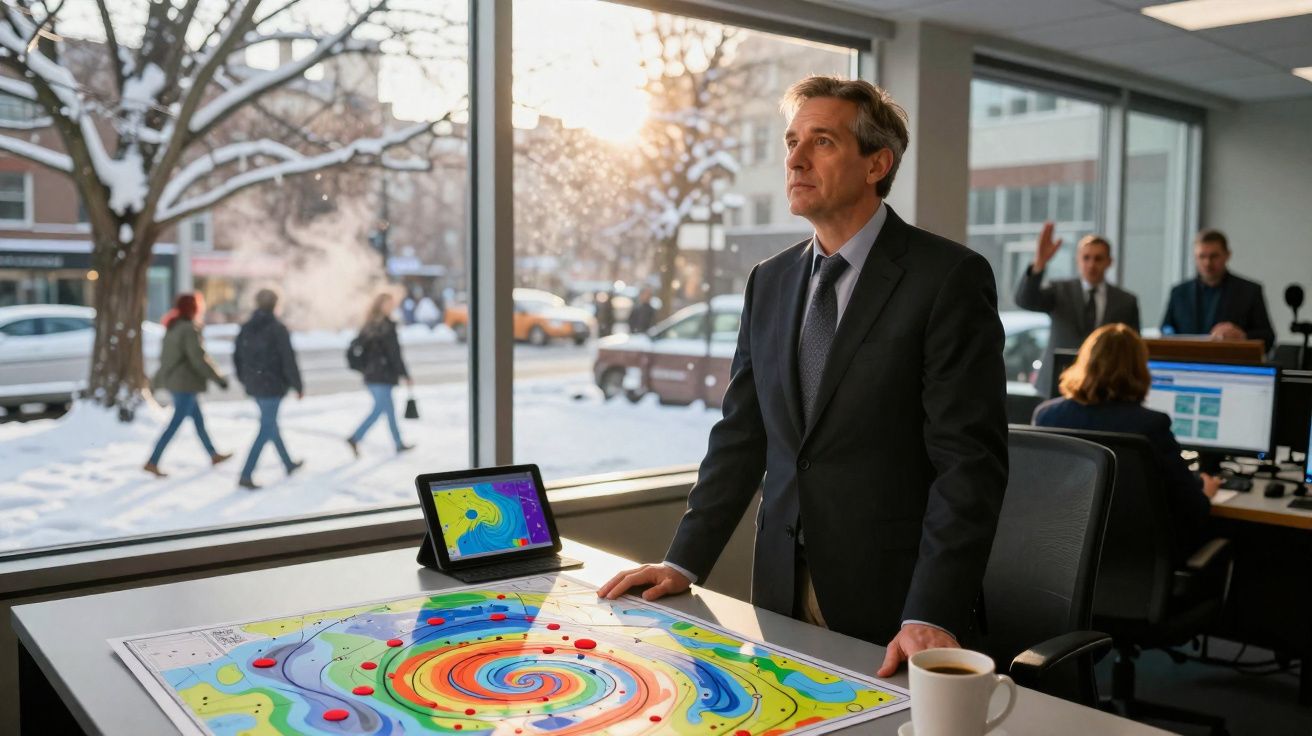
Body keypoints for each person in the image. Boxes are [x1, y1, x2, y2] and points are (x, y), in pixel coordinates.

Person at [598, 75, 1008, 678]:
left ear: (877, 163)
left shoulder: (947, 278)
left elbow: (969, 464)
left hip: (899, 608)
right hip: (782, 591)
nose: (794, 158)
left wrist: (933, 608)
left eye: (822, 142)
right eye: (792, 140)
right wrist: (683, 562)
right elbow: (742, 434)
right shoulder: (769, 281)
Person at [1033, 324, 1219, 560]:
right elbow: (1192, 508)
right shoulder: (1150, 425)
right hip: (1137, 559)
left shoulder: (1047, 416)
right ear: (1139, 370)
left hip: (1066, 557)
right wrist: (1206, 493)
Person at [1014, 224, 1141, 397]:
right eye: (1086, 258)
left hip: (1105, 384)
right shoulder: (1060, 290)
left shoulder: (1125, 301)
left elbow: (1132, 348)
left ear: (1109, 262)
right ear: (1078, 260)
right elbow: (1026, 300)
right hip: (1058, 381)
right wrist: (1039, 264)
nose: (1091, 264)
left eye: (1098, 258)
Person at [144, 293, 232, 477]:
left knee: (199, 421)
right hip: (184, 383)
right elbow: (199, 358)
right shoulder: (188, 329)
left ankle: (213, 454)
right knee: (175, 423)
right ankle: (152, 461)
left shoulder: (173, 326)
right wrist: (218, 379)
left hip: (177, 382)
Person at [233, 289, 305, 490]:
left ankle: (288, 463)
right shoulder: (277, 328)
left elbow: (237, 357)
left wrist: (245, 380)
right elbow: (288, 360)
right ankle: (246, 474)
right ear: (276, 305)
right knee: (266, 427)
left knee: (271, 424)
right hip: (272, 386)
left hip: (255, 385)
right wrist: (297, 385)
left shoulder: (247, 327)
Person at [1162, 229, 1275, 350]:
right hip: (1186, 363)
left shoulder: (1250, 291)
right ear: (1195, 258)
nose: (1207, 263)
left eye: (1214, 256)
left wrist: (1243, 336)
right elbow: (1165, 328)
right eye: (1202, 256)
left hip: (1230, 363)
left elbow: (1268, 338)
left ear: (1227, 255)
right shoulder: (1179, 292)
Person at [347, 292, 414, 456]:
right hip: (380, 376)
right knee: (379, 409)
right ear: (380, 305)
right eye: (388, 304)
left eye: (392, 303)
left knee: (389, 411)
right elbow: (394, 353)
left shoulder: (371, 324)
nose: (391, 307)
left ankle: (398, 443)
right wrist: (405, 374)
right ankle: (355, 437)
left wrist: (364, 368)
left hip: (375, 375)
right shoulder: (383, 326)